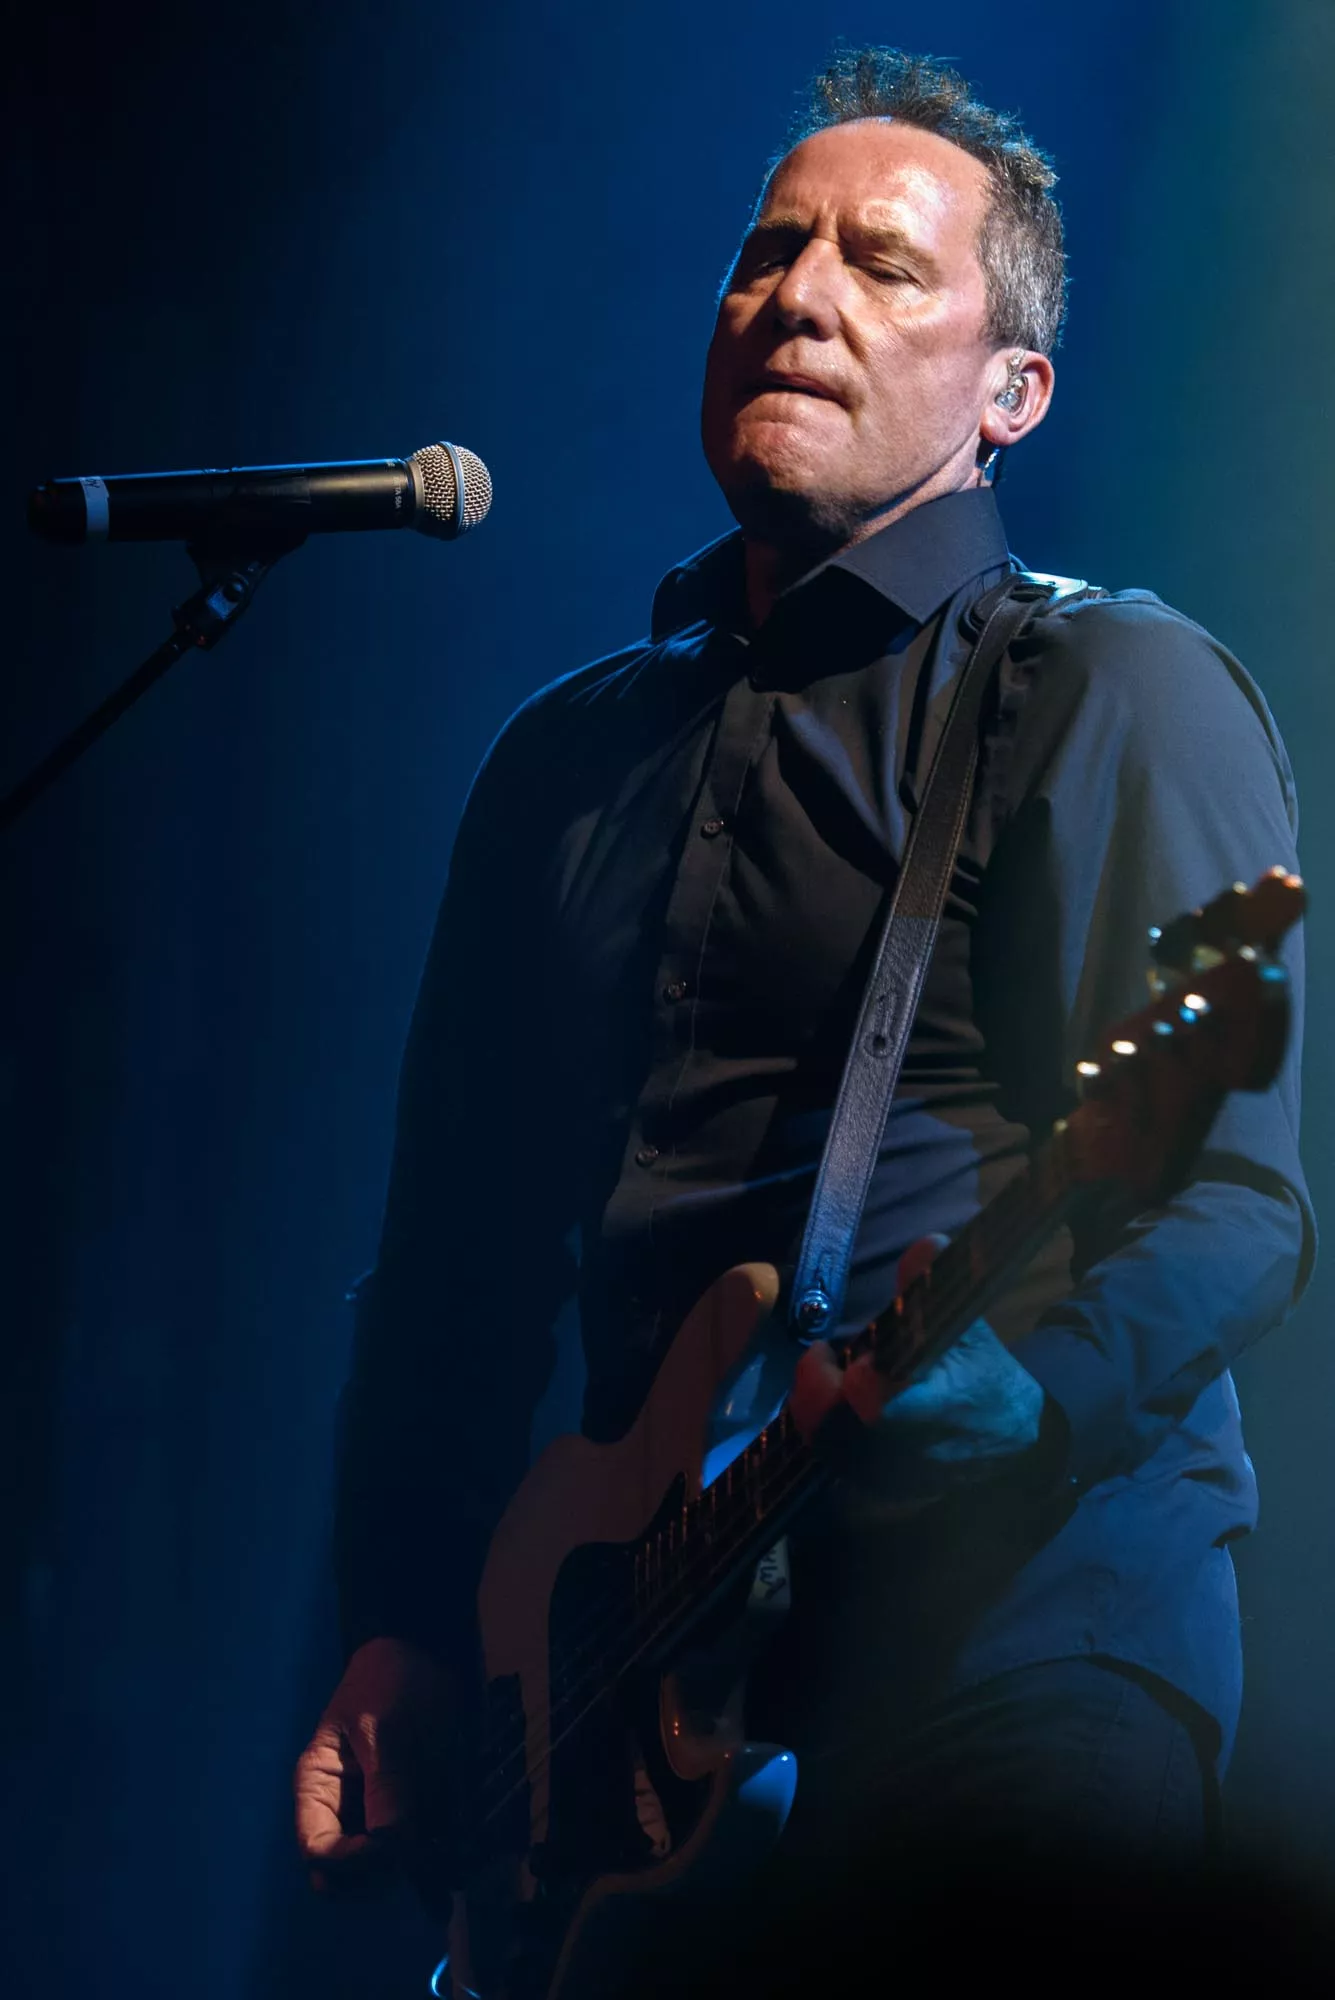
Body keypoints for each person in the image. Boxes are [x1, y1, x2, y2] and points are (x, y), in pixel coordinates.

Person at [295, 44, 1313, 1947]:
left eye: (881, 263)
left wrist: (1032, 1398)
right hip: (634, 1691)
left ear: (1010, 393)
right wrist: (402, 1624)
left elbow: (1237, 1204)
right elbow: (449, 1274)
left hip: (1009, 1658)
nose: (800, 295)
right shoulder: (563, 765)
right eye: (766, 252)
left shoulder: (1110, 691)